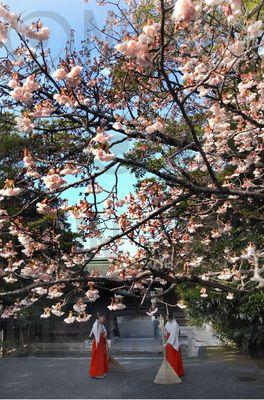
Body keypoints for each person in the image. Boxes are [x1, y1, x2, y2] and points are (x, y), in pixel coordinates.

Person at [164, 313, 184, 377]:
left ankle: (176, 372)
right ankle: (169, 372)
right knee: (169, 357)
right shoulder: (167, 323)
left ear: (171, 318)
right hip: (168, 340)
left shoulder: (175, 324)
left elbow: (173, 336)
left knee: (174, 357)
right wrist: (162, 328)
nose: (166, 319)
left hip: (173, 342)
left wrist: (167, 343)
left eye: (167, 318)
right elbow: (166, 331)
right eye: (166, 318)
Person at [89, 313, 109, 379]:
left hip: (102, 342)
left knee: (102, 356)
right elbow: (96, 334)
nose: (104, 319)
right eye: (103, 317)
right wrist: (102, 334)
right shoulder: (96, 324)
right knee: (98, 357)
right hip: (98, 343)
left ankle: (102, 371)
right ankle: (96, 373)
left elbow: (104, 332)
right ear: (99, 318)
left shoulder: (102, 325)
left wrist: (105, 334)